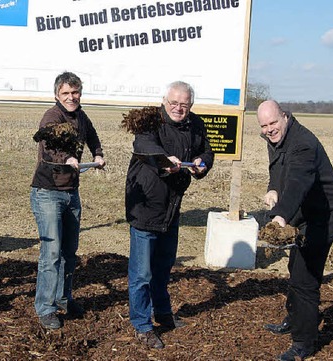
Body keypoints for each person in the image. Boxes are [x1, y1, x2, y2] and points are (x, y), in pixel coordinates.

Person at [125, 81, 214, 349]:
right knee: (141, 273)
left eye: (184, 105)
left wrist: (202, 164)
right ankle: (142, 324)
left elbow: (206, 150)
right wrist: (166, 160)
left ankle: (163, 314)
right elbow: (143, 146)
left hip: (171, 207)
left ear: (191, 105)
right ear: (165, 101)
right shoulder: (151, 120)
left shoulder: (195, 124)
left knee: (163, 268)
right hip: (146, 205)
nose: (178, 108)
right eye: (174, 103)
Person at [257, 100, 333, 361]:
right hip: (304, 213)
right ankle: (295, 319)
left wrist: (280, 217)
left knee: (304, 277)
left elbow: (297, 181)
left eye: (273, 123)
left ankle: (303, 343)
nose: (269, 129)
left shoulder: (303, 144)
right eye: (264, 126)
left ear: (285, 117)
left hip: (324, 216)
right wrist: (273, 188)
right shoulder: (276, 138)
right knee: (295, 266)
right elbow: (278, 169)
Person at [30, 71, 105, 330]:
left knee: (69, 252)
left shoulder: (81, 117)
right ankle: (45, 307)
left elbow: (92, 135)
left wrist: (97, 153)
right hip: (48, 192)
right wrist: (67, 159)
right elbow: (50, 144)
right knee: (51, 252)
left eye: (75, 93)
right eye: (66, 93)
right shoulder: (52, 116)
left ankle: (64, 298)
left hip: (71, 192)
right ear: (57, 95)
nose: (71, 97)